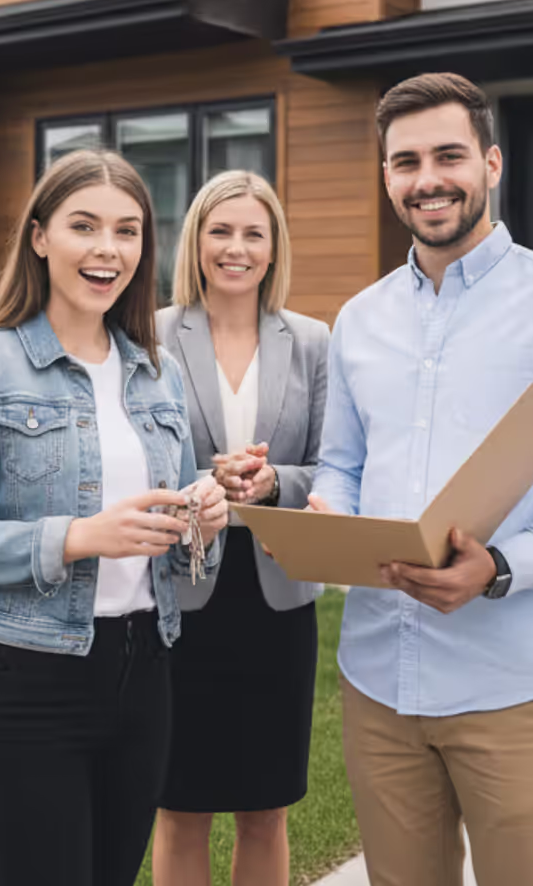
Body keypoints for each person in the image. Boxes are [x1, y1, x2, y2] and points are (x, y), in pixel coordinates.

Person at [308, 72, 533, 886]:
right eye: (405, 162)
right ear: (386, 177)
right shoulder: (359, 320)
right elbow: (343, 464)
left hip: (513, 689)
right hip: (378, 685)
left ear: (492, 164)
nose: (427, 179)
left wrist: (502, 567)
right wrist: (332, 513)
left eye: (448, 155)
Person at [0, 149, 230, 886]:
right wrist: (81, 537)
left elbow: (184, 552)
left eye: (126, 231)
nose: (107, 250)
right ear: (39, 237)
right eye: (83, 226)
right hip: (28, 682)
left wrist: (202, 523)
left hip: (146, 671)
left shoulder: (159, 373)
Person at [153, 171, 329, 886]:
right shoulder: (151, 333)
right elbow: (131, 455)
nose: (236, 248)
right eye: (220, 231)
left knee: (266, 807)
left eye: (253, 233)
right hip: (177, 600)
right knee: (178, 804)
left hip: (277, 602)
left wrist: (276, 482)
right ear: (196, 240)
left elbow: (336, 468)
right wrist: (200, 484)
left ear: (274, 246)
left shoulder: (314, 341)